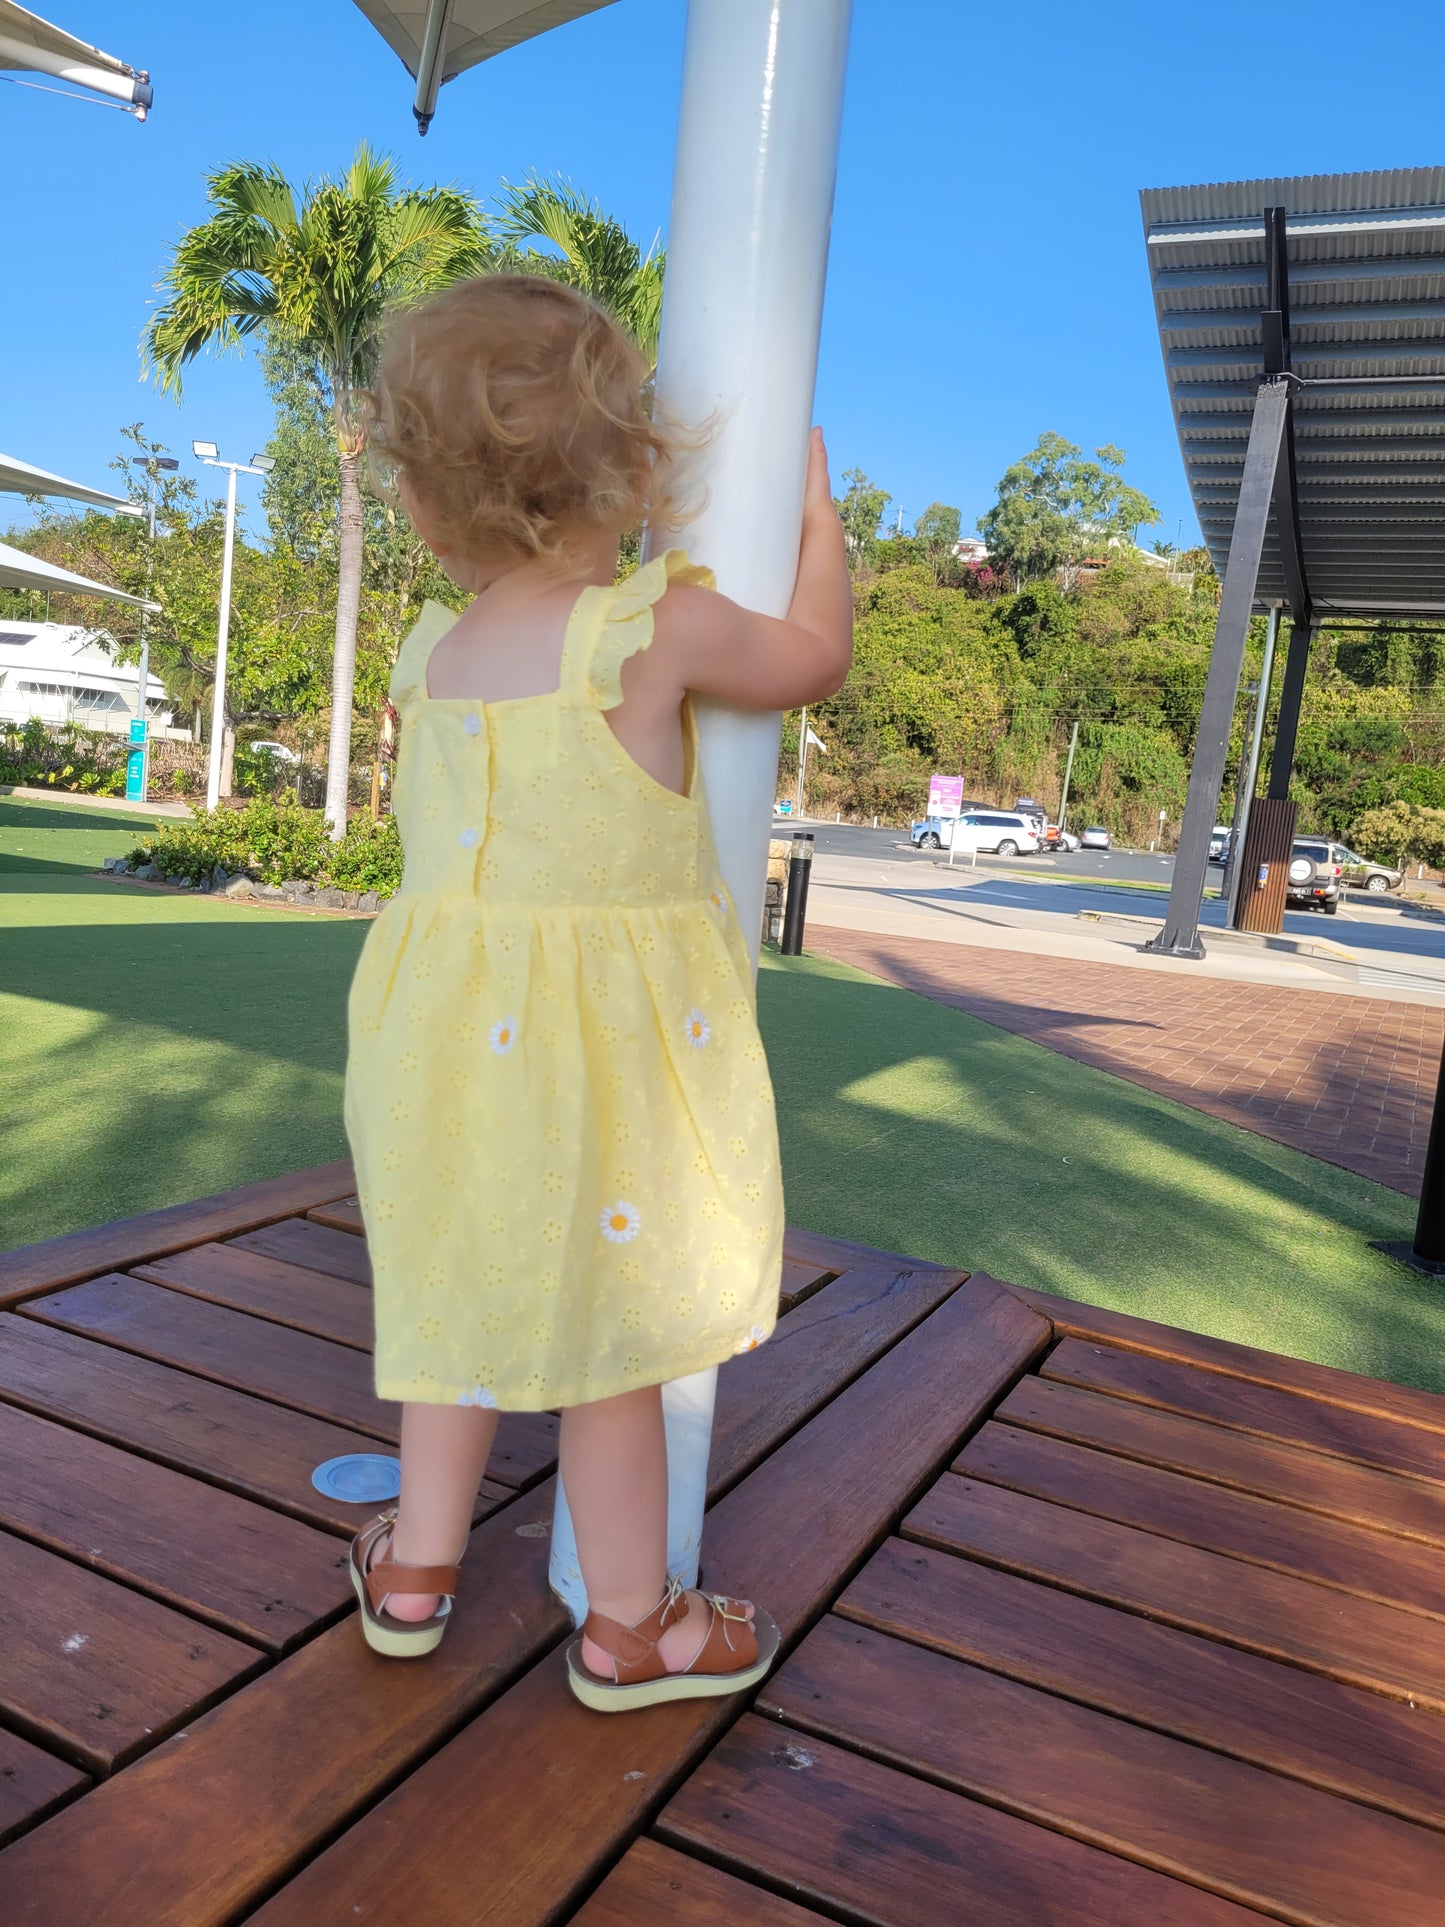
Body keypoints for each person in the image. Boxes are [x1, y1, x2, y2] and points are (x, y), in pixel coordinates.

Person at [343, 274, 853, 1711]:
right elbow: (809, 659)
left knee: (453, 1296)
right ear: (634, 472)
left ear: (433, 506)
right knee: (607, 1342)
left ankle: (415, 1571)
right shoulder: (649, 629)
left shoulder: (427, 653)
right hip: (598, 1054)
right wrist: (820, 535)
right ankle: (634, 1628)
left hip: (436, 1037)